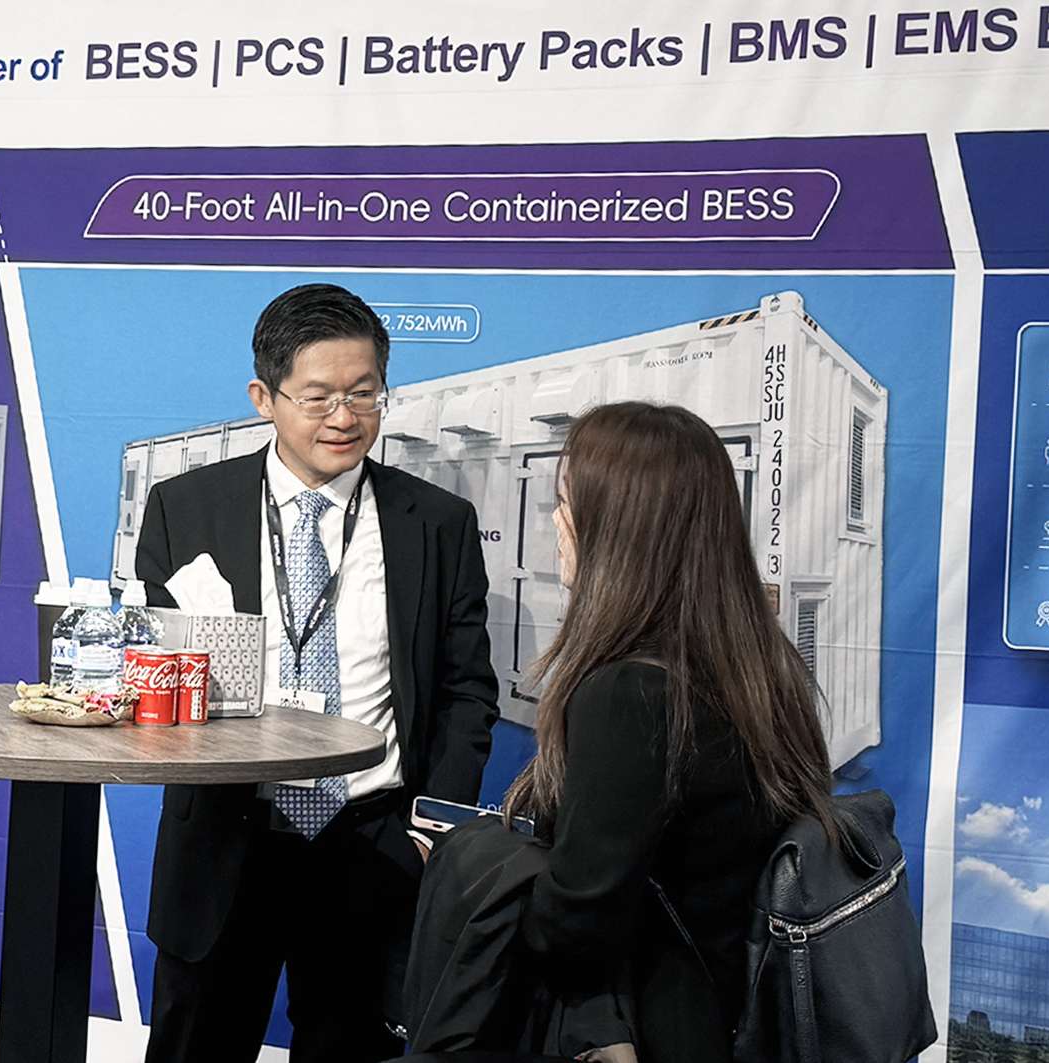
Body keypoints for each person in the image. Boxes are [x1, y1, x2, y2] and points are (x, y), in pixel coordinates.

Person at [134, 282, 501, 1063]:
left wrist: (428, 836)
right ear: (264, 398)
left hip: (370, 843)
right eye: (319, 396)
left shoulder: (437, 523)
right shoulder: (184, 508)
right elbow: (158, 672)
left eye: (365, 393)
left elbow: (467, 692)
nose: (345, 416)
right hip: (228, 838)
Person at [500, 401, 837, 1063]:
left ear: (617, 529)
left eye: (566, 503)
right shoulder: (763, 667)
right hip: (737, 1024)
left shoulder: (629, 694)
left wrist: (485, 875)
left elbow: (573, 930)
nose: (557, 524)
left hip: (650, 1032)